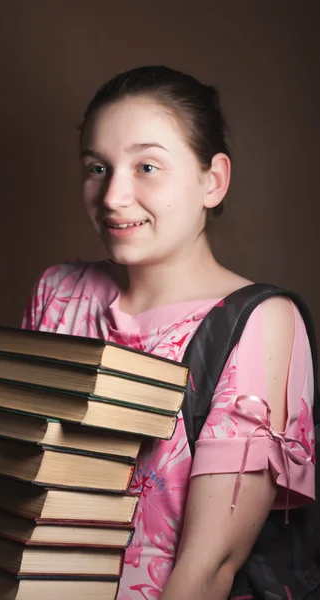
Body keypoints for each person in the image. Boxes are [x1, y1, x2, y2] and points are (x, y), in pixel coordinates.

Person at [22, 66, 316, 599]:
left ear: (213, 180)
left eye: (147, 166)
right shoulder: (57, 292)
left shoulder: (258, 322)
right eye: (97, 167)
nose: (113, 196)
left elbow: (209, 569)